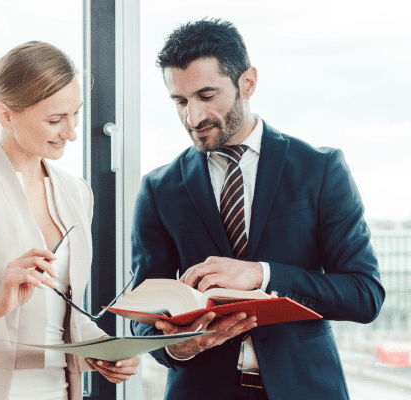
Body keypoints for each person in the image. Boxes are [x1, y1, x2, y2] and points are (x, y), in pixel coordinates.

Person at [130, 19, 384, 400]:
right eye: (180, 102)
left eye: (206, 95)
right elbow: (144, 315)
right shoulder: (158, 188)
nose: (193, 118)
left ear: (247, 82)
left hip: (305, 389)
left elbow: (365, 295)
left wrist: (261, 275)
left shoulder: (319, 170)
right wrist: (174, 348)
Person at [0, 41, 139, 400]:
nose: (71, 132)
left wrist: (103, 349)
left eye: (75, 114)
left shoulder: (77, 192)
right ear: (5, 115)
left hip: (60, 390)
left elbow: (64, 312)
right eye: (54, 120)